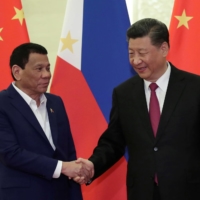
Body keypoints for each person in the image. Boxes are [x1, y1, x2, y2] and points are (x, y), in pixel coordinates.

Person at [75, 18, 200, 200]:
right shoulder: (124, 93)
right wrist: (92, 165)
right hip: (142, 192)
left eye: (142, 53)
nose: (135, 60)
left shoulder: (194, 88)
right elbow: (113, 142)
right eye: (131, 53)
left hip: (189, 191)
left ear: (163, 49)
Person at [0, 43, 84, 200]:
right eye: (39, 69)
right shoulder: (3, 104)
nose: (47, 74)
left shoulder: (56, 102)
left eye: (48, 68)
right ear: (17, 72)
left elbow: (68, 152)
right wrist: (62, 167)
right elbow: (10, 153)